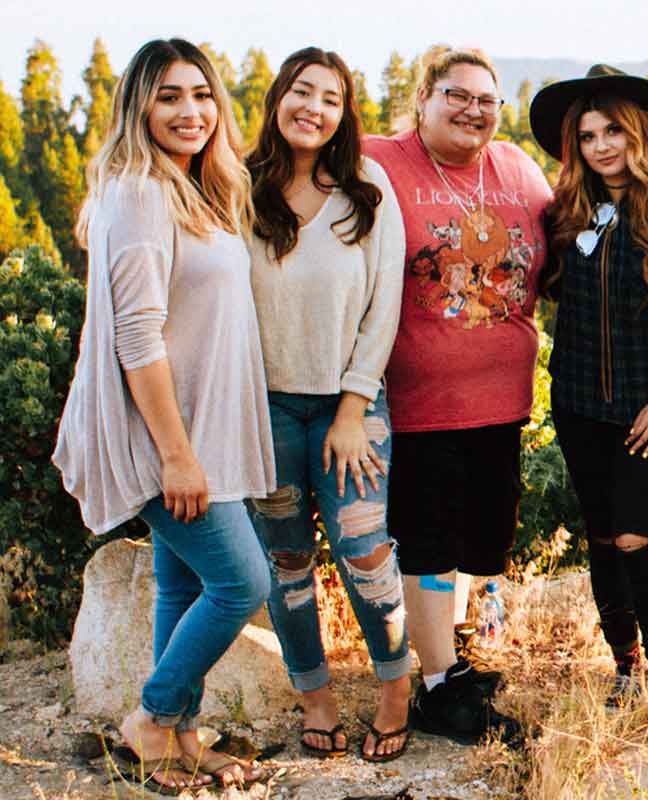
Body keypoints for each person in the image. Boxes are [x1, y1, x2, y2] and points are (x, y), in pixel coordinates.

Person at [53, 38, 271, 792]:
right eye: (170, 95)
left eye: (202, 94)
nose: (191, 111)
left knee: (182, 585)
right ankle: (151, 716)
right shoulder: (141, 191)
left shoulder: (187, 188)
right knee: (244, 582)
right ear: (138, 106)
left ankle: (177, 738)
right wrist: (177, 456)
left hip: (199, 431)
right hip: (166, 438)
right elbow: (135, 335)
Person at [362, 45, 550, 745]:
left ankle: (454, 663)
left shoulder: (520, 171)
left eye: (486, 100)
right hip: (420, 399)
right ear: (423, 98)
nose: (473, 110)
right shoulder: (380, 158)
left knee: (478, 539)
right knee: (429, 539)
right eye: (457, 94)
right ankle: (439, 685)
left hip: (504, 399)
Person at [529, 64, 648, 751]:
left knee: (637, 537)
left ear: (639, 133)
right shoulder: (565, 210)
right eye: (587, 135)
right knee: (603, 540)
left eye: (613, 130)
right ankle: (623, 664)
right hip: (577, 402)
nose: (602, 145)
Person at [243, 47, 410, 762]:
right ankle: (315, 697)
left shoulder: (367, 187)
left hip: (351, 405)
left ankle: (396, 690)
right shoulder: (236, 188)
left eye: (331, 97)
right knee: (286, 561)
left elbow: (383, 309)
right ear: (279, 97)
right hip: (261, 412)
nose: (313, 107)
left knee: (364, 552)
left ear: (345, 113)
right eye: (301, 91)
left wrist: (350, 411)